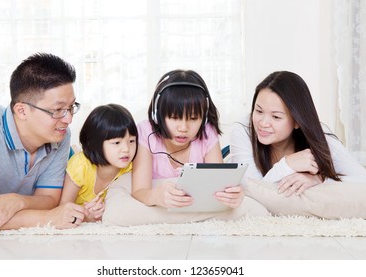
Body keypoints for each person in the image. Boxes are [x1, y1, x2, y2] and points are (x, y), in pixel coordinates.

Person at [102, 69, 268, 226]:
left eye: (193, 118)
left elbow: (217, 186)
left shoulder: (207, 132)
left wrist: (231, 196)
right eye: (174, 118)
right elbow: (139, 191)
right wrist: (155, 196)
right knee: (117, 212)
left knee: (256, 210)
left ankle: (174, 218)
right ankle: (188, 218)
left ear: (203, 119)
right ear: (158, 115)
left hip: (187, 205)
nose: (183, 127)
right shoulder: (145, 131)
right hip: (157, 199)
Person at [0, 53, 86, 230]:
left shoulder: (60, 134)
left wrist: (16, 201)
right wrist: (47, 218)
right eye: (57, 109)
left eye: (71, 107)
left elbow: (50, 198)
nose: (68, 119)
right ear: (22, 111)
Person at [230, 71, 366, 197]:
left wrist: (318, 179)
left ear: (297, 121)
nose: (263, 123)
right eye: (259, 111)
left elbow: (361, 179)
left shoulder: (319, 136)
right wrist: (287, 165)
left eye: (276, 117)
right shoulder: (242, 131)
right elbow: (252, 191)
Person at [59, 104, 138, 222]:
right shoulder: (80, 166)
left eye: (131, 141)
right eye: (117, 143)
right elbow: (62, 209)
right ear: (95, 143)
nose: (126, 149)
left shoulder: (130, 167)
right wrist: (86, 215)